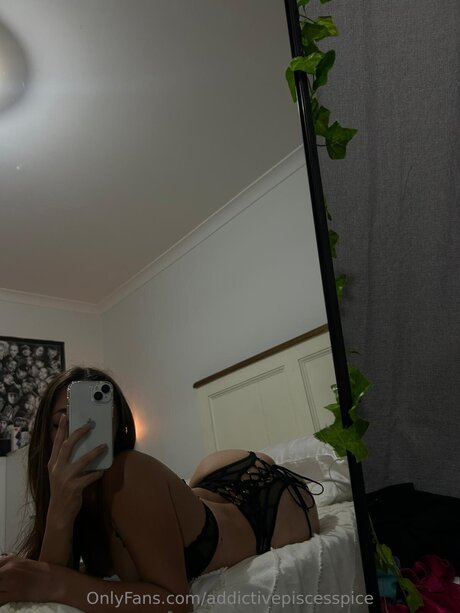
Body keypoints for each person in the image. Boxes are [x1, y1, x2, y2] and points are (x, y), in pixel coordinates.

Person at [0, 367, 321, 612]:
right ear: (45, 435)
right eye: (62, 422)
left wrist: (57, 584)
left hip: (265, 503)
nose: (80, 431)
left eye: (93, 420)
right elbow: (48, 589)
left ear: (117, 427)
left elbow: (174, 603)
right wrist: (59, 506)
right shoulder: (71, 499)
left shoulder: (127, 471)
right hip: (208, 487)